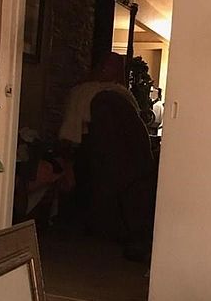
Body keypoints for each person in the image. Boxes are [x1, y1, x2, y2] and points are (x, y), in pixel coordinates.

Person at [59, 52, 157, 262]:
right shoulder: (107, 96)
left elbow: (70, 134)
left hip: (114, 163)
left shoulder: (90, 95)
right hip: (124, 163)